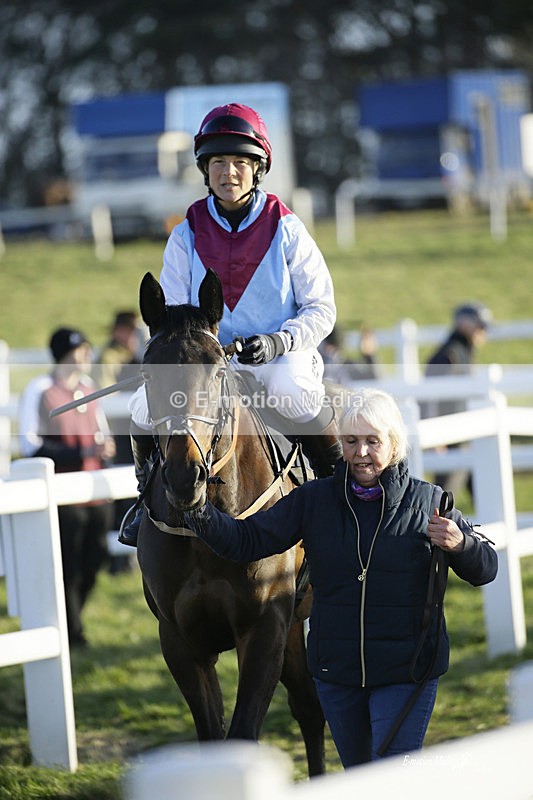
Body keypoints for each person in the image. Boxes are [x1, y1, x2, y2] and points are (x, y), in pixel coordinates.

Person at [183, 387, 498, 767]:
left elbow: (485, 568)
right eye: (350, 441)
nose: (360, 453)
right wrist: (197, 510)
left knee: (392, 778)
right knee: (359, 777)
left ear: (394, 444)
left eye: (371, 441)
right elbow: (247, 540)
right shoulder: (314, 500)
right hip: (337, 675)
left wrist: (461, 544)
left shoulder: (427, 502)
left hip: (406, 673)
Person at [121, 102, 340, 547]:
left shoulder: (288, 228)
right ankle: (145, 495)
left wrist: (279, 342)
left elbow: (322, 307)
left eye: (240, 162)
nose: (229, 172)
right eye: (218, 162)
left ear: (258, 169)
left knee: (292, 394)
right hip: (209, 364)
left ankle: (344, 494)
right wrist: (198, 352)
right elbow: (175, 313)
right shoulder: (186, 232)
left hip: (279, 358)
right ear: (205, 169)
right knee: (142, 408)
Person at [18, 327, 116, 647]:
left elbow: (100, 434)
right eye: (82, 349)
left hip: (95, 491)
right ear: (65, 354)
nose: (88, 355)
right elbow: (31, 445)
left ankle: (70, 620)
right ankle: (73, 632)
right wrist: (84, 452)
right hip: (62, 493)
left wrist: (104, 448)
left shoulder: (89, 387)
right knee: (69, 566)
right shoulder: (40, 389)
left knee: (95, 560)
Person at [423, 301, 492, 495]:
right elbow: (429, 395)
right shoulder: (450, 354)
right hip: (450, 437)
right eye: (479, 326)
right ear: (463, 323)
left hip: (464, 435)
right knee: (444, 498)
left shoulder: (461, 352)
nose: (482, 331)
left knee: (485, 493)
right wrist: (435, 437)